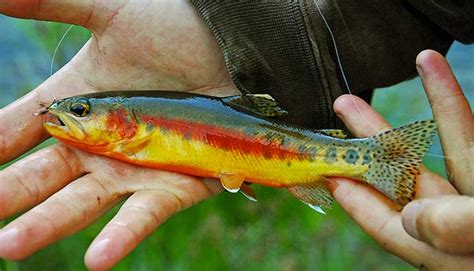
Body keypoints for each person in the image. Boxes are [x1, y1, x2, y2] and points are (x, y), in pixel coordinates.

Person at [0, 0, 472, 270]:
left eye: (81, 111)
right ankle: (372, 160)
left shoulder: (141, 128)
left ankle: (371, 160)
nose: (68, 116)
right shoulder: (132, 128)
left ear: (129, 121)